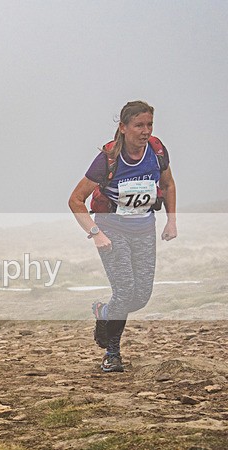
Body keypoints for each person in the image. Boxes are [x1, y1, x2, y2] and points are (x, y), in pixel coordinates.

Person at [69, 100, 177, 373]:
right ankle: (112, 354)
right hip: (112, 230)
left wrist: (171, 220)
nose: (145, 131)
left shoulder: (157, 151)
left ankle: (104, 313)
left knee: (141, 297)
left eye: (149, 125)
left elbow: (167, 184)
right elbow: (75, 200)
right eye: (139, 125)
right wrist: (95, 233)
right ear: (123, 127)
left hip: (144, 230)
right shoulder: (108, 159)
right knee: (125, 290)